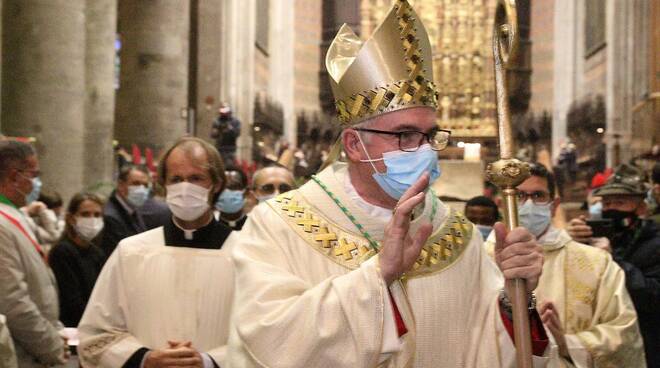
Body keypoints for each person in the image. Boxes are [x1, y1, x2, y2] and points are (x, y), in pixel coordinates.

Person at [226, 2, 550, 367]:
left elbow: (487, 345)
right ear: (353, 144)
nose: (424, 150)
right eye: (405, 135)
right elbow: (269, 337)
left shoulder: (455, 235)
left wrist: (513, 298)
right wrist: (378, 277)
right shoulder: (278, 225)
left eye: (430, 135)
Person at [79, 137, 235, 368]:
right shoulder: (132, 252)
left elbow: (263, 336)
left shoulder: (246, 253)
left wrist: (210, 362)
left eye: (196, 178)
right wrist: (145, 359)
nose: (185, 187)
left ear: (217, 184)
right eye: (176, 179)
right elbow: (96, 335)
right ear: (163, 184)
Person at [485, 163, 645, 367]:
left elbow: (624, 334)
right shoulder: (481, 260)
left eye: (538, 196)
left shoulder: (597, 263)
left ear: (554, 205)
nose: (528, 204)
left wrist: (567, 343)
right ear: (501, 204)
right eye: (518, 196)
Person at [567, 164, 660, 367]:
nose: (612, 210)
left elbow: (653, 296)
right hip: (604, 345)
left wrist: (612, 260)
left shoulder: (655, 241)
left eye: (620, 203)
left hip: (647, 344)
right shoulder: (595, 236)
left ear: (641, 208)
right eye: (607, 204)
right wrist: (572, 243)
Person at [0, 140, 68, 367]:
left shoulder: (15, 216)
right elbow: (13, 302)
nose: (36, 183)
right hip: (20, 354)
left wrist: (55, 331)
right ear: (14, 176)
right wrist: (51, 346)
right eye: (34, 174)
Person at [48, 192, 106, 327]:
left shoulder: (97, 253)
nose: (92, 220)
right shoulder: (62, 252)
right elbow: (71, 301)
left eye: (97, 215)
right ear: (71, 218)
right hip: (73, 327)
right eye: (85, 214)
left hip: (95, 324)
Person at [101, 164, 170, 257]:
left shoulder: (132, 209)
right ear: (121, 185)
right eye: (136, 184)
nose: (141, 189)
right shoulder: (111, 217)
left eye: (145, 185)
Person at [215, 166, 249, 230]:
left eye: (234, 186)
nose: (227, 191)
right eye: (222, 187)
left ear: (246, 192)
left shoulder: (256, 226)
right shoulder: (209, 228)